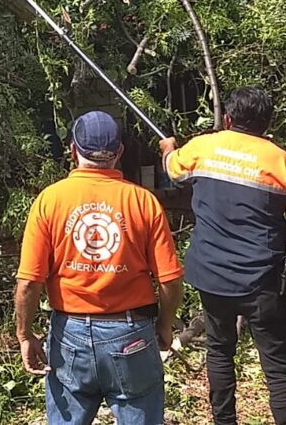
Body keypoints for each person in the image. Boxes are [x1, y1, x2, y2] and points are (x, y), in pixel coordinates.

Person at [159, 86, 286, 425]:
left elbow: (173, 170)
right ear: (267, 124)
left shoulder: (205, 146)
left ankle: (224, 421)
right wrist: (283, 233)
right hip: (261, 280)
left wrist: (167, 149)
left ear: (229, 118)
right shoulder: (281, 161)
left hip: (212, 276)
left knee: (220, 350)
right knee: (277, 364)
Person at [15, 110, 184, 425]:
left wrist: (25, 335)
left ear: (73, 150)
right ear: (119, 153)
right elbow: (170, 280)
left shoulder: (49, 201)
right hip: (131, 333)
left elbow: (28, 283)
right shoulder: (143, 202)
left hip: (69, 335)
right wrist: (164, 325)